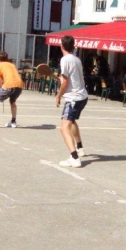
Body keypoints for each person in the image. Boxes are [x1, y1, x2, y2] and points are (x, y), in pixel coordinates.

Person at [55, 35, 88, 168]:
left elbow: (66, 82)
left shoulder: (65, 60)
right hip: (82, 96)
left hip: (74, 98)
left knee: (64, 128)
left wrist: (58, 96)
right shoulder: (76, 59)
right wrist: (62, 81)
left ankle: (74, 157)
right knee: (72, 121)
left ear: (61, 46)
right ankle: (79, 148)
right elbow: (70, 79)